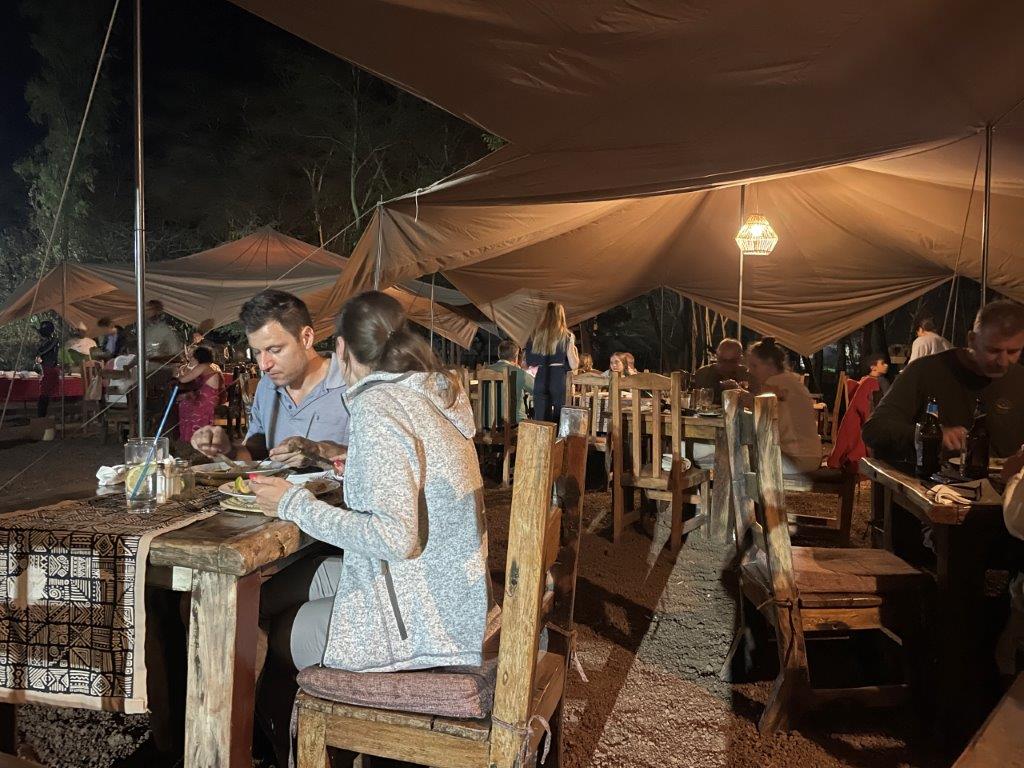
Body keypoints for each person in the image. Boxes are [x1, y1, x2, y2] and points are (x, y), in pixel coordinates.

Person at [247, 291, 489, 764]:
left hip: (420, 617)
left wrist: (293, 503)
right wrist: (336, 463)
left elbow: (395, 536)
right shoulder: (424, 393)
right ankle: (276, 742)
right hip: (442, 589)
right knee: (265, 594)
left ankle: (291, 748)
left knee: (273, 632)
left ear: (339, 349)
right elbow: (407, 483)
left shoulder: (380, 407)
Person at [190, 290, 349, 468]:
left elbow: (381, 464)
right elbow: (257, 456)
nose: (264, 365)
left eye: (274, 350)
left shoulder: (352, 383)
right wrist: (228, 449)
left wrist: (322, 452)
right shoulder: (267, 386)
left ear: (306, 338)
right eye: (257, 352)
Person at [864, 300, 1024, 462]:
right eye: (993, 350)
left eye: (1013, 352)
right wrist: (930, 435)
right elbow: (875, 430)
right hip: (936, 483)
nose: (1003, 361)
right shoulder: (925, 371)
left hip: (1005, 483)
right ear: (972, 340)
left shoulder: (1020, 379)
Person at [745, 336, 823, 475]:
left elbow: (758, 421)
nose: (749, 371)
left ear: (770, 364)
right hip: (811, 456)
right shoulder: (792, 380)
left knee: (737, 458)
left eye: (754, 366)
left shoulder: (774, 385)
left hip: (795, 459)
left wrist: (739, 397)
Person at [525, 302, 579, 423]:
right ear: (561, 316)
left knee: (541, 418)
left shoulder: (535, 335)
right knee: (560, 417)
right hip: (558, 378)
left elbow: (529, 361)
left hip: (540, 377)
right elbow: (574, 364)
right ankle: (557, 441)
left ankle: (542, 441)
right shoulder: (566, 335)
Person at [175, 347, 223, 442]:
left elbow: (183, 380)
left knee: (185, 405)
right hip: (208, 398)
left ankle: (189, 440)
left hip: (205, 401)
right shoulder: (209, 366)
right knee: (184, 401)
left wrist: (176, 373)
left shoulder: (203, 366)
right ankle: (190, 439)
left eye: (194, 356)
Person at [488, 340, 534, 423]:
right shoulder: (519, 373)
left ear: (499, 354)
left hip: (488, 420)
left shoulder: (485, 370)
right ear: (516, 356)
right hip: (513, 420)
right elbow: (536, 389)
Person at [692, 338, 749, 405]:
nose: (727, 365)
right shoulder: (704, 373)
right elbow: (698, 402)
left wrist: (738, 390)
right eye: (723, 360)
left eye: (732, 361)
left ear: (740, 359)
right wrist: (719, 388)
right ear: (716, 357)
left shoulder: (747, 374)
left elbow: (755, 402)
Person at [34, 321, 60, 418]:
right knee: (44, 395)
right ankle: (42, 417)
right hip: (46, 369)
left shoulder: (53, 342)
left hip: (50, 369)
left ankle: (42, 418)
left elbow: (41, 353)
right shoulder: (43, 343)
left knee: (44, 395)